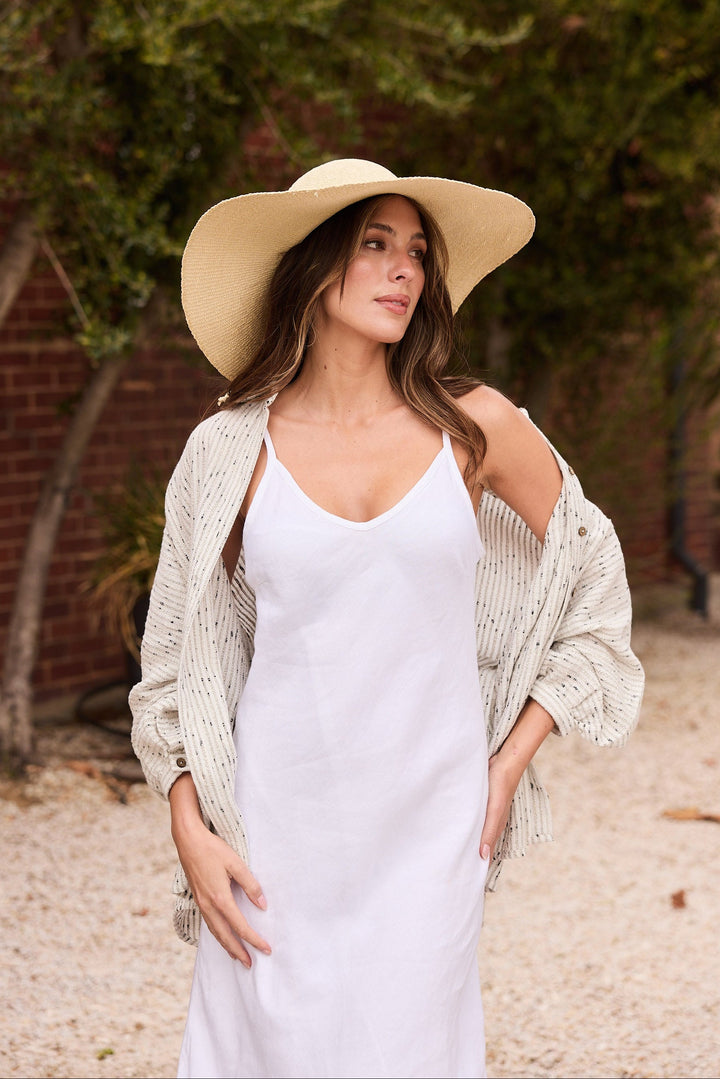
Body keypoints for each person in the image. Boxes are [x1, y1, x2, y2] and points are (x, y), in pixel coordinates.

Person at [130, 158, 644, 1079]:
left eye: (417, 252)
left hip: (429, 828)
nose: (405, 269)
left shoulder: (474, 427)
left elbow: (593, 571)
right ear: (316, 266)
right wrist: (190, 828)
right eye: (375, 244)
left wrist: (505, 766)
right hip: (270, 832)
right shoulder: (226, 448)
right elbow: (171, 659)